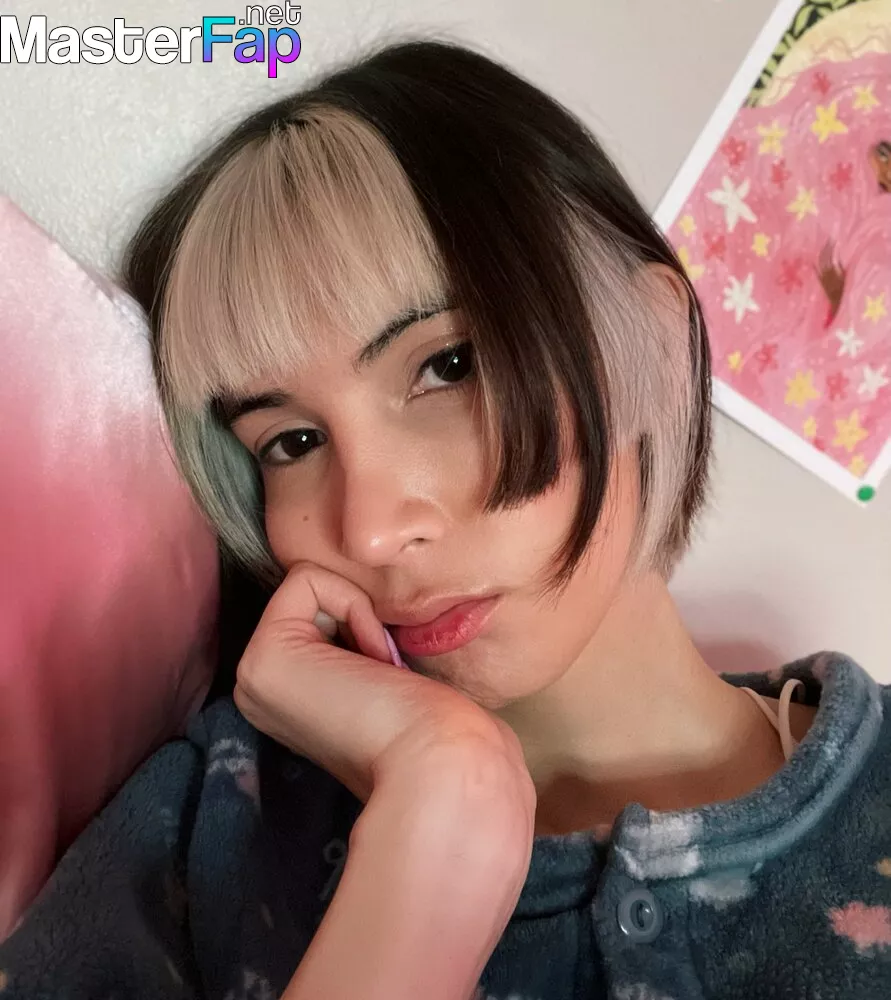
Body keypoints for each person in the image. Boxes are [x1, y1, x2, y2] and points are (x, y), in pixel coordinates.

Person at [1, 37, 889, 1000]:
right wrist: (436, 833)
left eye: (446, 366)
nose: (371, 532)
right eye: (291, 442)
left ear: (655, 346)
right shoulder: (206, 831)